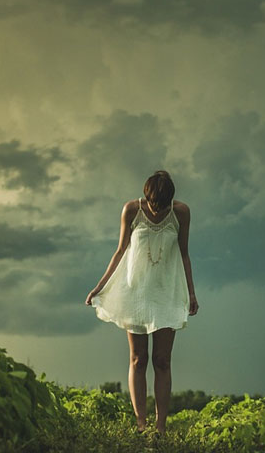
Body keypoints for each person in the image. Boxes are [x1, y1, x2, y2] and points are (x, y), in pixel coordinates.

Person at [85, 170, 199, 433]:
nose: (157, 209)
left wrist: (191, 293)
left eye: (163, 203)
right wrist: (99, 288)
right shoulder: (131, 210)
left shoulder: (180, 212)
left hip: (166, 294)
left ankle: (159, 428)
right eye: (153, 202)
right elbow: (120, 250)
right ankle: (141, 425)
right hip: (134, 294)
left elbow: (184, 254)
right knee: (138, 358)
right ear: (147, 196)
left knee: (162, 360)